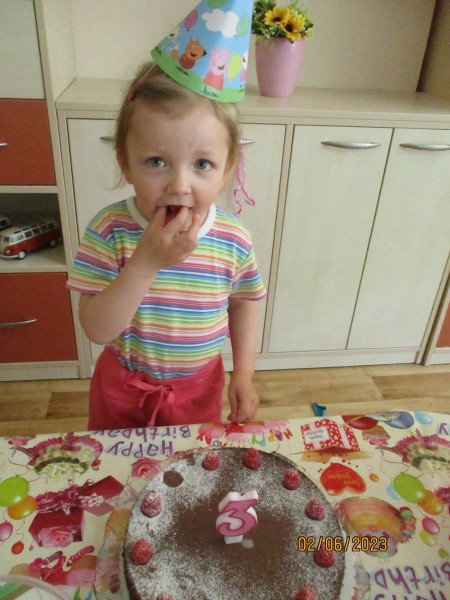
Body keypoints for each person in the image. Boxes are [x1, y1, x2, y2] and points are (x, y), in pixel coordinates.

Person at [67, 61, 266, 430]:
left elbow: (243, 303)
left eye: (202, 163)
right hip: (124, 392)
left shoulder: (233, 238)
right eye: (157, 161)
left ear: (227, 169)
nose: (179, 185)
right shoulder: (109, 231)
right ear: (125, 163)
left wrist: (244, 374)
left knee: (189, 463)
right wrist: (145, 262)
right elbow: (97, 330)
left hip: (199, 391)